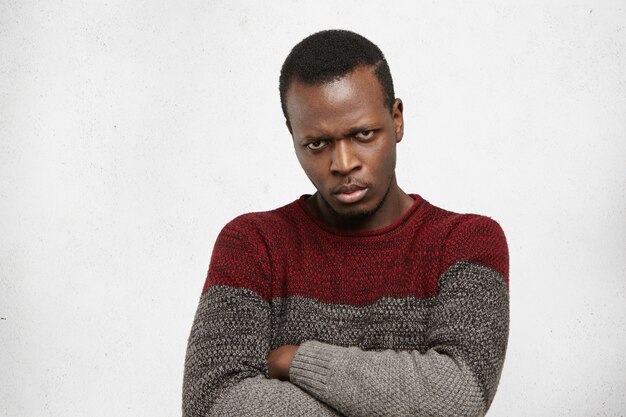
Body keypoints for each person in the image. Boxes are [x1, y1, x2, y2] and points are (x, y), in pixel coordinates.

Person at [183, 29, 509, 417]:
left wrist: (299, 360)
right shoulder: (253, 244)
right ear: (293, 136)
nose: (343, 164)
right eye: (317, 144)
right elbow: (212, 403)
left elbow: (458, 397)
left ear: (397, 119)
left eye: (363, 134)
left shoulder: (466, 243)